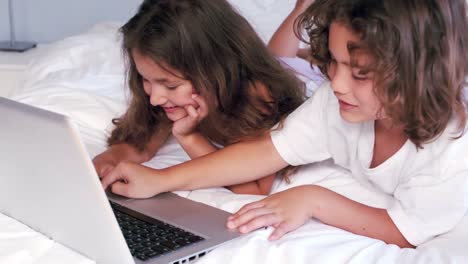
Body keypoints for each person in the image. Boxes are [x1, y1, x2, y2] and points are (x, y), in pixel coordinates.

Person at [100, 0, 468, 249]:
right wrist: (162, 179)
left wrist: (315, 199)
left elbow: (406, 230)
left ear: (418, 74)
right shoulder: (334, 101)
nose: (336, 83)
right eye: (334, 63)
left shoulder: (452, 146)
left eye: (360, 73)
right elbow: (266, 152)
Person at [92, 0, 305, 195]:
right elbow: (141, 143)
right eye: (145, 79)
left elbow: (252, 189)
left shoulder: (258, 98)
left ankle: (302, 9)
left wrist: (190, 138)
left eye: (170, 85)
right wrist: (108, 160)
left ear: (216, 71)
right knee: (280, 56)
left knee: (285, 58)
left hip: (300, 73)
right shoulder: (173, 91)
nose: (155, 98)